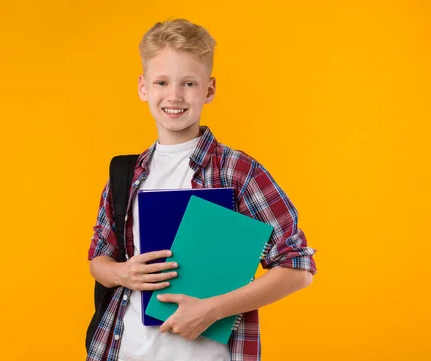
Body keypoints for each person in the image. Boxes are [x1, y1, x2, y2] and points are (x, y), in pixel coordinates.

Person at [87, 18, 317, 361]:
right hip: (126, 351)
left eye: (189, 83)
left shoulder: (237, 171)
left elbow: (297, 267)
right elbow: (98, 259)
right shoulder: (126, 173)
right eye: (162, 82)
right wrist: (124, 273)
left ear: (209, 90)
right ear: (143, 87)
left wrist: (211, 310)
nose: (174, 96)